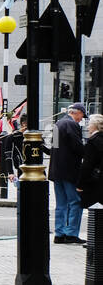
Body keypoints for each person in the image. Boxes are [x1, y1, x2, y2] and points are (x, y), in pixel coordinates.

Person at [49, 103, 87, 244]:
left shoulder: (58, 123)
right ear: (76, 113)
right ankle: (71, 233)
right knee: (75, 201)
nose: (81, 119)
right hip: (69, 170)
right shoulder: (72, 125)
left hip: (57, 170)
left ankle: (59, 234)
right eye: (82, 115)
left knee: (61, 203)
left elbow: (55, 146)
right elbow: (77, 146)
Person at [78, 113, 103, 211]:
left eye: (89, 125)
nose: (88, 127)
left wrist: (80, 184)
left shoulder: (93, 142)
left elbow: (87, 166)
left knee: (95, 211)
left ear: (94, 126)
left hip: (95, 182)